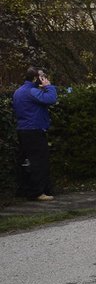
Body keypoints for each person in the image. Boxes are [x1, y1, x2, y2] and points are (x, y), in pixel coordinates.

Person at [12, 66, 58, 201]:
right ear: (35, 78)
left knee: (27, 161)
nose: (44, 78)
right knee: (39, 161)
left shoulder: (19, 91)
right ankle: (38, 192)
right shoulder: (31, 91)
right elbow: (50, 99)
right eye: (42, 76)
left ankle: (27, 189)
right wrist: (49, 86)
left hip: (23, 129)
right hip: (34, 130)